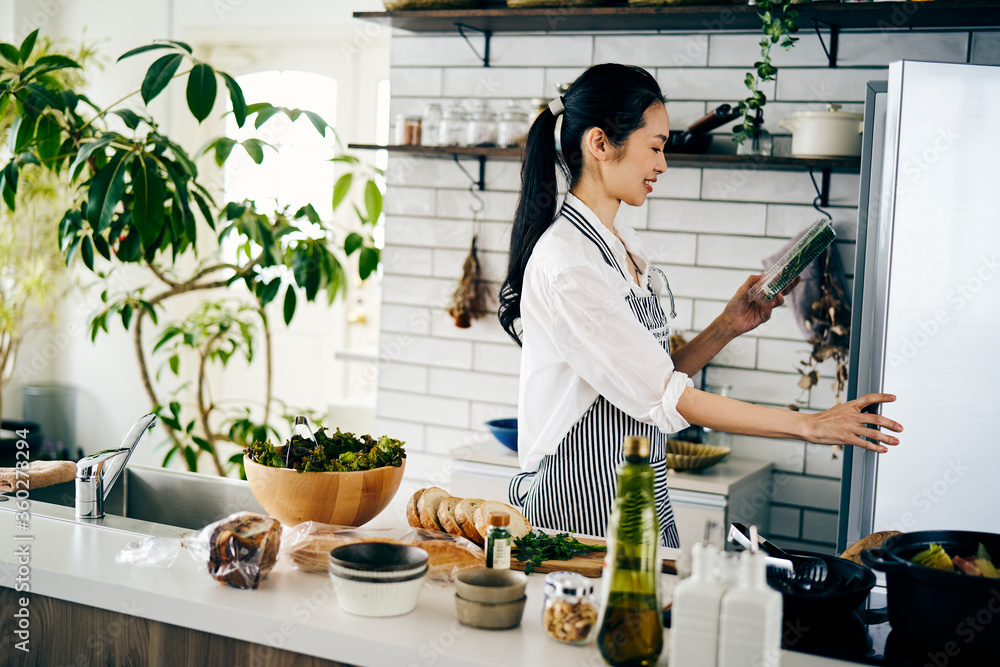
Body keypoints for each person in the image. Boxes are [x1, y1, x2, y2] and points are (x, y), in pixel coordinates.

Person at [498, 63, 902, 547]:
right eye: (655, 147)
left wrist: (728, 325)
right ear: (600, 144)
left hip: (635, 490)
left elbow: (651, 379)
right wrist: (810, 426)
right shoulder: (569, 264)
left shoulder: (617, 244)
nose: (662, 165)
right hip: (576, 504)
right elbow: (668, 396)